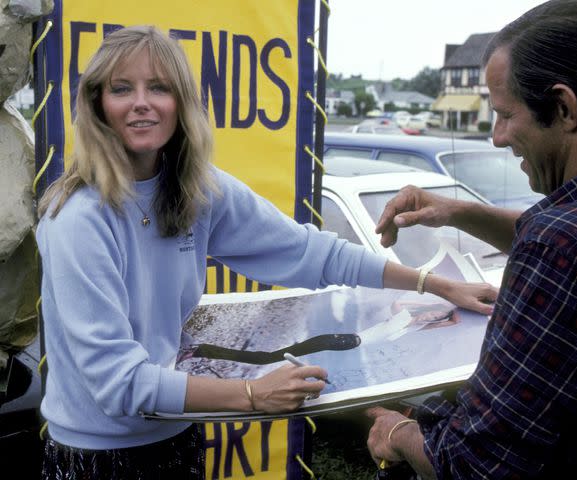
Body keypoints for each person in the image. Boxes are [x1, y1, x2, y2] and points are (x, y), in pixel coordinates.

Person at [35, 25, 497, 479]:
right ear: (97, 104)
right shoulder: (77, 218)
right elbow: (118, 383)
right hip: (98, 455)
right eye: (121, 88)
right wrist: (253, 395)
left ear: (181, 103)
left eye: (159, 87)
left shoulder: (197, 190)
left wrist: (432, 284)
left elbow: (313, 252)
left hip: (177, 433)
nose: (141, 102)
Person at [366, 1, 577, 478]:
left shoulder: (558, 246)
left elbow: (475, 463)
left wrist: (396, 431)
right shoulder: (571, 232)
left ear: (564, 108)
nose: (495, 137)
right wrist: (457, 210)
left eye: (505, 114)